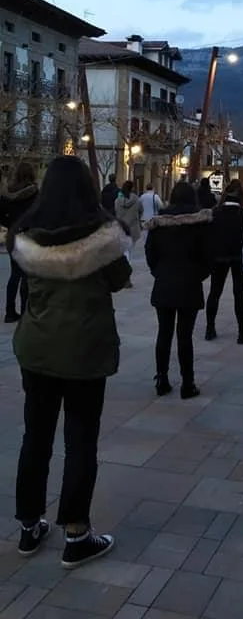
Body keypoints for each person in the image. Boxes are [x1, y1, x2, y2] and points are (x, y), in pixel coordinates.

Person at [8, 156, 131, 567]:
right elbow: (120, 281)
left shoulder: (27, 237)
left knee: (35, 436)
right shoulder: (104, 239)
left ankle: (29, 527)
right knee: (80, 440)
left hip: (37, 348)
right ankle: (76, 534)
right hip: (85, 350)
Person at [145, 182, 213, 399]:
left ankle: (161, 378)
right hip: (189, 282)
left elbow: (150, 252)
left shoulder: (160, 222)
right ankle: (187, 382)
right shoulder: (200, 222)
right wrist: (198, 275)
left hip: (164, 281)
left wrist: (159, 272)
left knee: (164, 333)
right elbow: (208, 256)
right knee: (185, 335)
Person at [205, 180, 243, 344]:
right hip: (239, 257)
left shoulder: (215, 212)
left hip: (218, 257)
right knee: (240, 294)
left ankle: (210, 329)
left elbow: (207, 236)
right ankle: (242, 332)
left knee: (215, 292)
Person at [0, 162, 39, 323]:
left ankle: (9, 311)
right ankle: (25, 311)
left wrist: (11, 225)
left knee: (14, 274)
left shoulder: (8, 193)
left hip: (13, 236)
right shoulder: (35, 194)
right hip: (28, 236)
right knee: (26, 276)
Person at [114, 181, 143, 275]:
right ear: (132, 188)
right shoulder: (137, 200)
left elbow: (115, 212)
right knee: (130, 249)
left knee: (124, 249)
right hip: (133, 227)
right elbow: (141, 210)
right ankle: (128, 266)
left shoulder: (117, 201)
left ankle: (125, 267)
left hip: (121, 227)